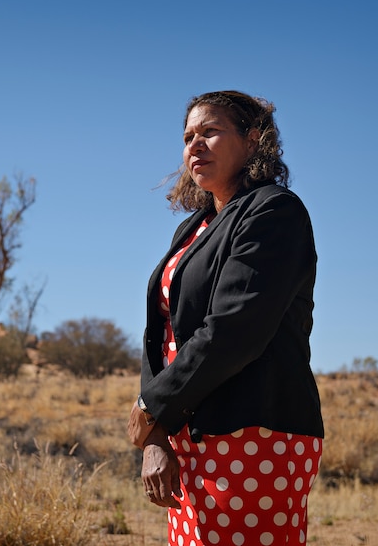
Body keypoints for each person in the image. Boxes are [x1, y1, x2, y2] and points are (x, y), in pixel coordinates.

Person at [128, 90, 324, 546]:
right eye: (188, 136)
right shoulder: (194, 227)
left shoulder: (274, 211)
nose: (195, 145)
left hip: (254, 430)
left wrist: (151, 407)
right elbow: (161, 333)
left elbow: (235, 328)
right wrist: (157, 431)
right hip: (190, 429)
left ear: (253, 141)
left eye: (210, 132)